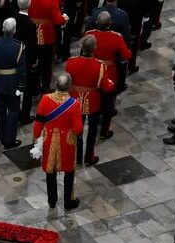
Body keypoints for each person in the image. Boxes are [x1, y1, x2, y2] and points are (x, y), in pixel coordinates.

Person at [32, 72, 83, 209]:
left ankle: (52, 201)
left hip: (49, 140)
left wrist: (37, 136)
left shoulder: (45, 99)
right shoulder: (75, 104)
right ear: (70, 87)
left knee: (50, 172)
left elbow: (38, 123)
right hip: (67, 143)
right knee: (69, 172)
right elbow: (78, 129)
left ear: (56, 85)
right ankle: (68, 202)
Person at [65, 35, 115, 165]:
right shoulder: (100, 67)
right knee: (92, 130)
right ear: (94, 49)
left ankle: (75, 156)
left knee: (76, 128)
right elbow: (106, 86)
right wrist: (111, 83)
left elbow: (68, 81)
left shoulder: (71, 62)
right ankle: (89, 157)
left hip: (75, 99)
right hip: (92, 101)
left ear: (82, 47)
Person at [87, 11, 132, 139]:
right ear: (110, 24)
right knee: (109, 104)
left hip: (93, 70)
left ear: (96, 22)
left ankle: (94, 121)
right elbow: (127, 55)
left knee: (95, 97)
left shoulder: (90, 35)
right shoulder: (116, 37)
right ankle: (104, 132)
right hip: (110, 72)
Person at [0, 18, 28, 150]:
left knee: (0, 111)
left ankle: (2, 137)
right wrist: (21, 86)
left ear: (3, 29)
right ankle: (9, 140)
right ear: (14, 30)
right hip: (13, 84)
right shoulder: (19, 46)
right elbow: (21, 69)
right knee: (14, 112)